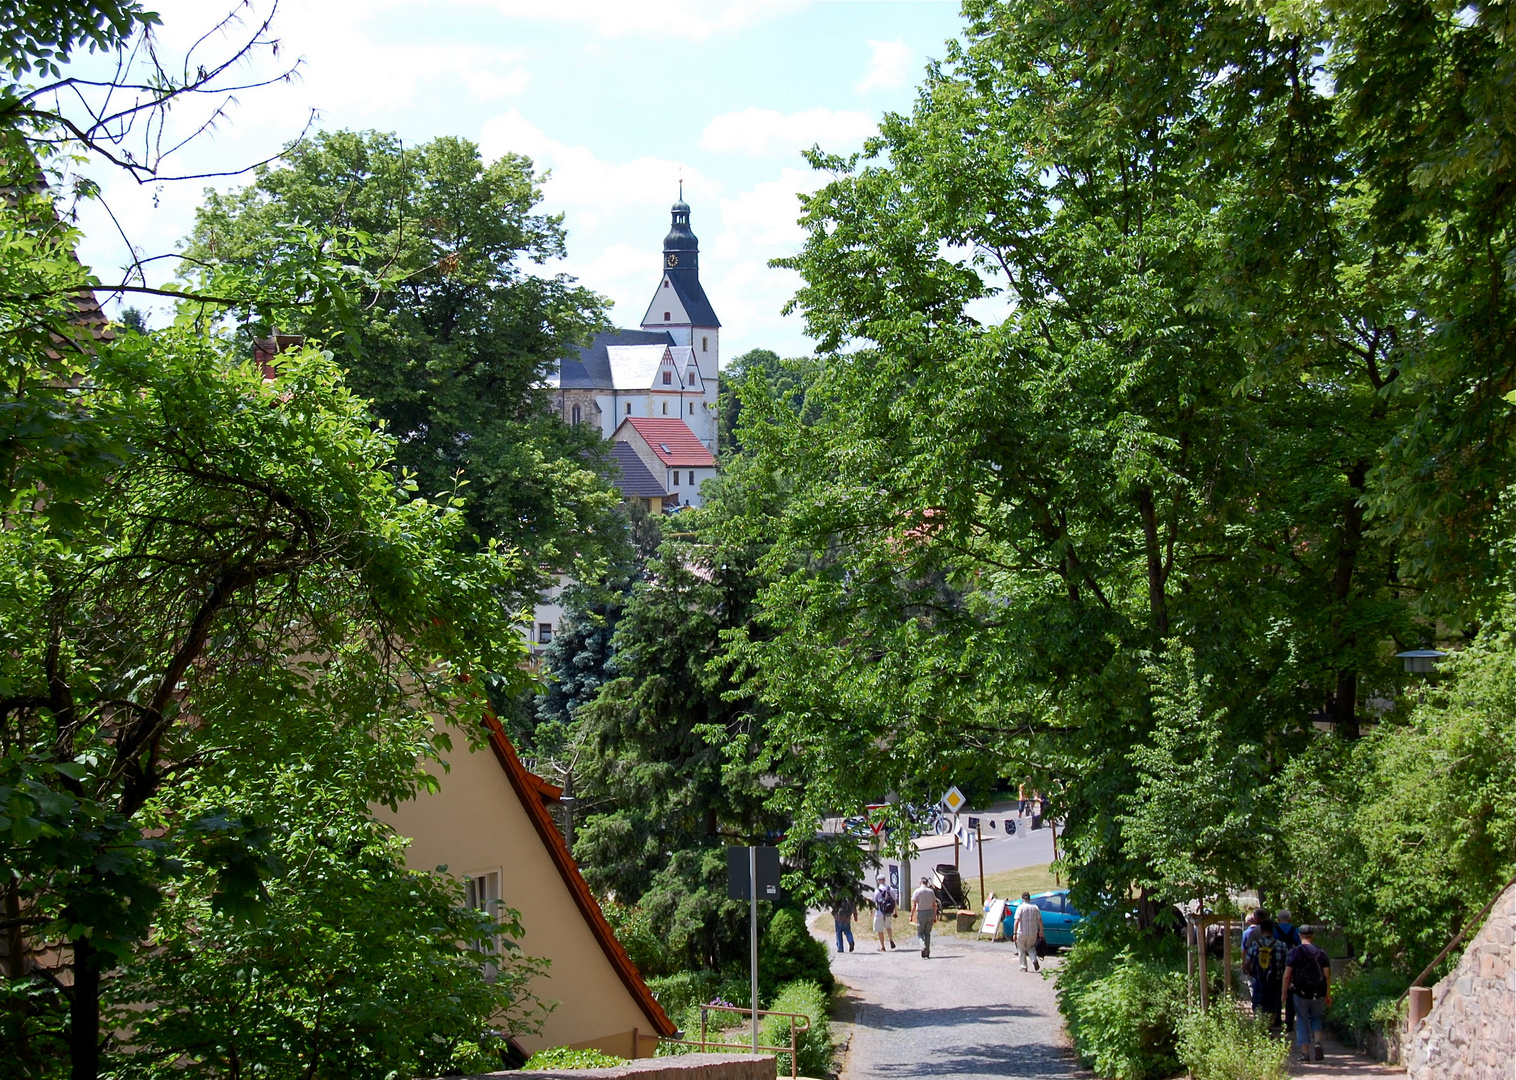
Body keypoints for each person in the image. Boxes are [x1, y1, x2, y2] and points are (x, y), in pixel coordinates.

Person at [1282, 925, 1332, 1063]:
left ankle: (1305, 1054)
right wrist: (1328, 994)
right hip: (1318, 992)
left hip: (1300, 992)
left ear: (1299, 936)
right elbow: (1327, 976)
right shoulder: (1321, 953)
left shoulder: (1294, 952)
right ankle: (1317, 1042)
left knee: (1302, 1020)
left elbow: (1287, 975)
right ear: (1312, 936)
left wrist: (1284, 992)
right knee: (1316, 1017)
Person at [1243, 916, 1287, 1029]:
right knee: (1274, 1006)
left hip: (1259, 979)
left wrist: (1250, 972)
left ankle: (1260, 1026)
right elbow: (1286, 963)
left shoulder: (1255, 944)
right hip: (1276, 980)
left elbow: (1247, 962)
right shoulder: (1281, 945)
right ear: (1272, 931)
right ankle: (1269, 1028)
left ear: (1261, 930)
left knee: (1258, 1004)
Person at [1012, 891, 1043, 972]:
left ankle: (1023, 966)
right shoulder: (1035, 907)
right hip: (1033, 932)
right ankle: (1034, 960)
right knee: (1031, 947)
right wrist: (1041, 931)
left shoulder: (1020, 908)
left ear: (1022, 899)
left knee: (1021, 949)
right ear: (1030, 899)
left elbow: (1016, 921)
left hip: (1021, 932)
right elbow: (1040, 920)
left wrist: (1014, 933)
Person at [910, 875, 939, 958]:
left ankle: (923, 946)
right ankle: (927, 952)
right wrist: (935, 915)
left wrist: (911, 915)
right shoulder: (931, 892)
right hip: (930, 912)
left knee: (920, 933)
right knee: (927, 933)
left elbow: (914, 905)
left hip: (921, 913)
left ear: (920, 883)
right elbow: (934, 904)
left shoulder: (917, 891)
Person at [871, 876, 897, 952]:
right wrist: (895, 911)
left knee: (879, 929)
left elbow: (873, 902)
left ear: (878, 881)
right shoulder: (890, 889)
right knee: (888, 927)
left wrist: (871, 911)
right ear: (885, 880)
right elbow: (894, 900)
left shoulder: (877, 891)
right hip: (888, 911)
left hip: (879, 912)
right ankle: (891, 939)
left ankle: (883, 946)